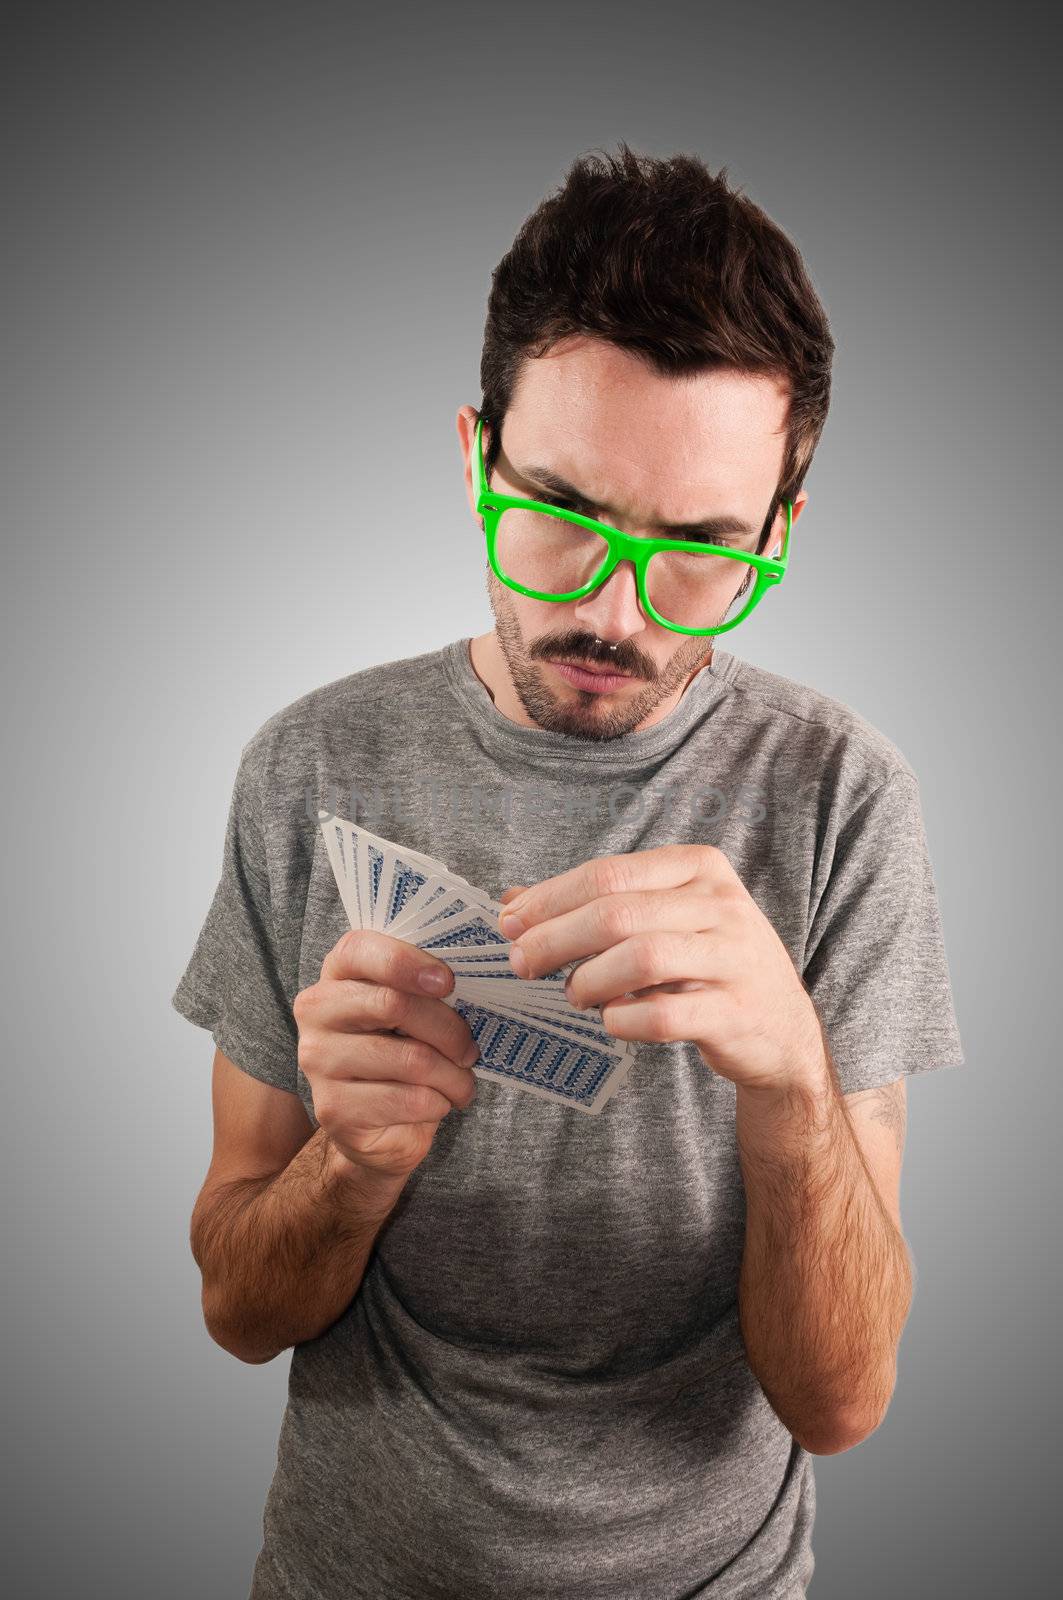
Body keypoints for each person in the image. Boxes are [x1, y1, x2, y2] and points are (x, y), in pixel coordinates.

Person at [172, 143, 965, 1600]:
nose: (612, 609)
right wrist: (350, 1170)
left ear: (782, 531)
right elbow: (237, 1306)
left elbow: (843, 1401)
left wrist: (790, 1082)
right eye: (559, 511)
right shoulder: (312, 766)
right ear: (476, 454)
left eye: (700, 549)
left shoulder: (843, 799)